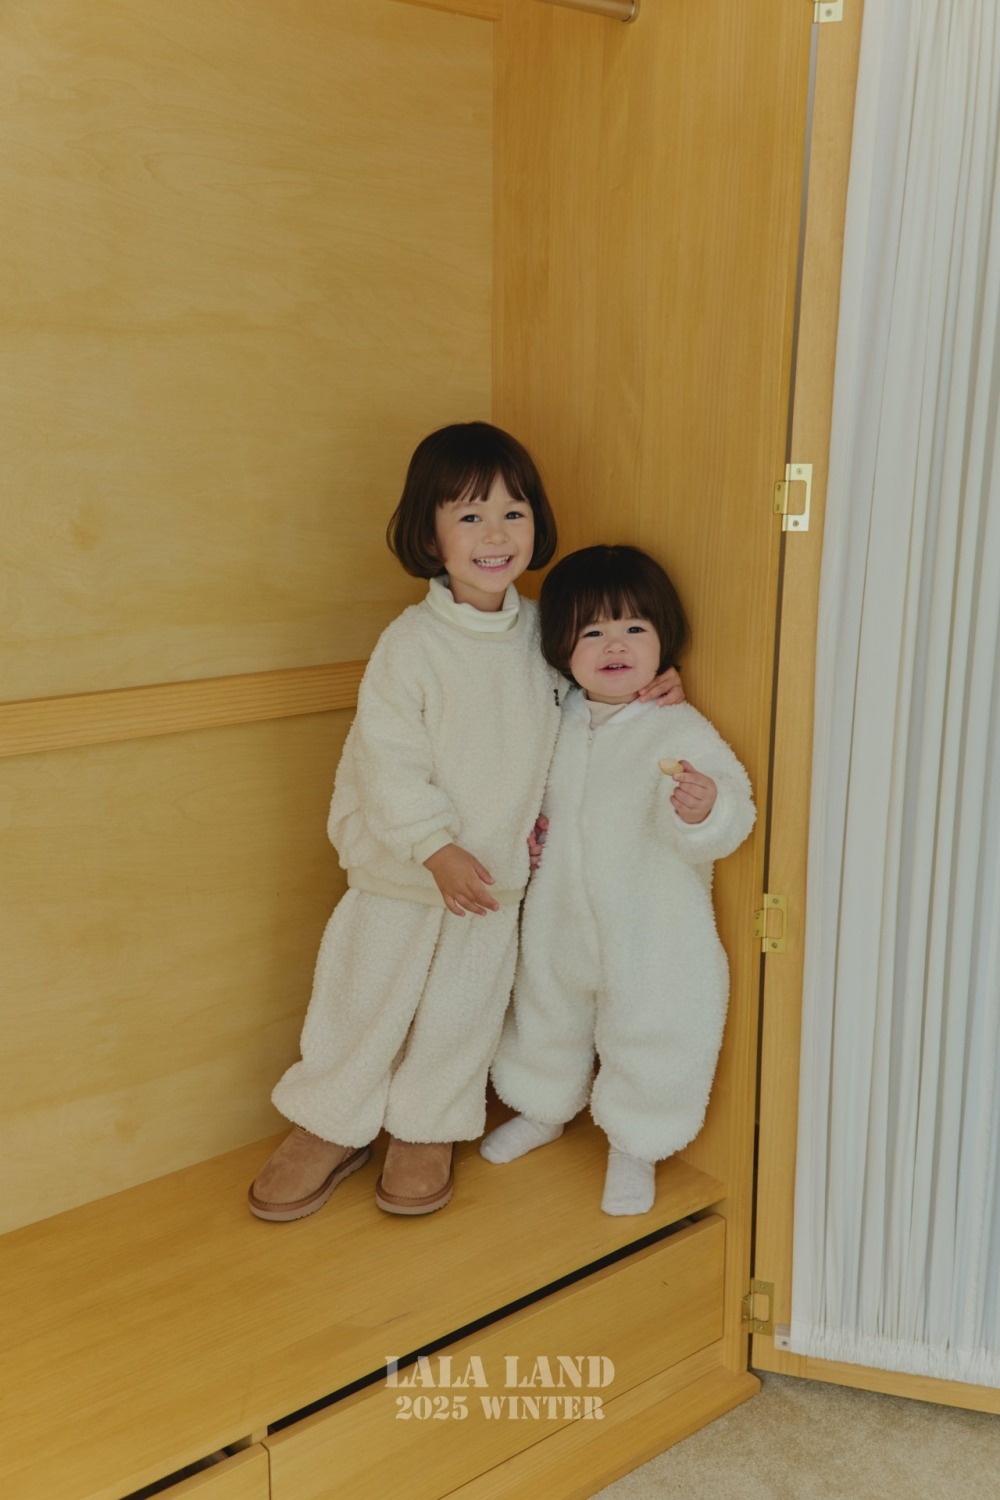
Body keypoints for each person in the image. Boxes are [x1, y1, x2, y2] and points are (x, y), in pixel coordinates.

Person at [248, 427, 684, 1221]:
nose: (495, 535)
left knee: (461, 1016)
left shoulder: (546, 634)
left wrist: (653, 687)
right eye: (471, 516)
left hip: (493, 886)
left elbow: (593, 692)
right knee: (362, 1003)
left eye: (514, 514)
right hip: (401, 875)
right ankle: (328, 1121)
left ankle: (428, 1126)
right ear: (430, 533)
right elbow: (387, 760)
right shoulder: (410, 645)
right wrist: (433, 847)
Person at [481, 544, 755, 1216]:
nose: (615, 645)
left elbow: (733, 808)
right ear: (561, 647)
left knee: (652, 1029)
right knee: (545, 1012)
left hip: (649, 923)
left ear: (664, 639)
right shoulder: (555, 717)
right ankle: (543, 1106)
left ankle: (637, 1143)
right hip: (558, 915)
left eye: (635, 627)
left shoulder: (676, 724)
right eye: (593, 631)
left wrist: (706, 808)